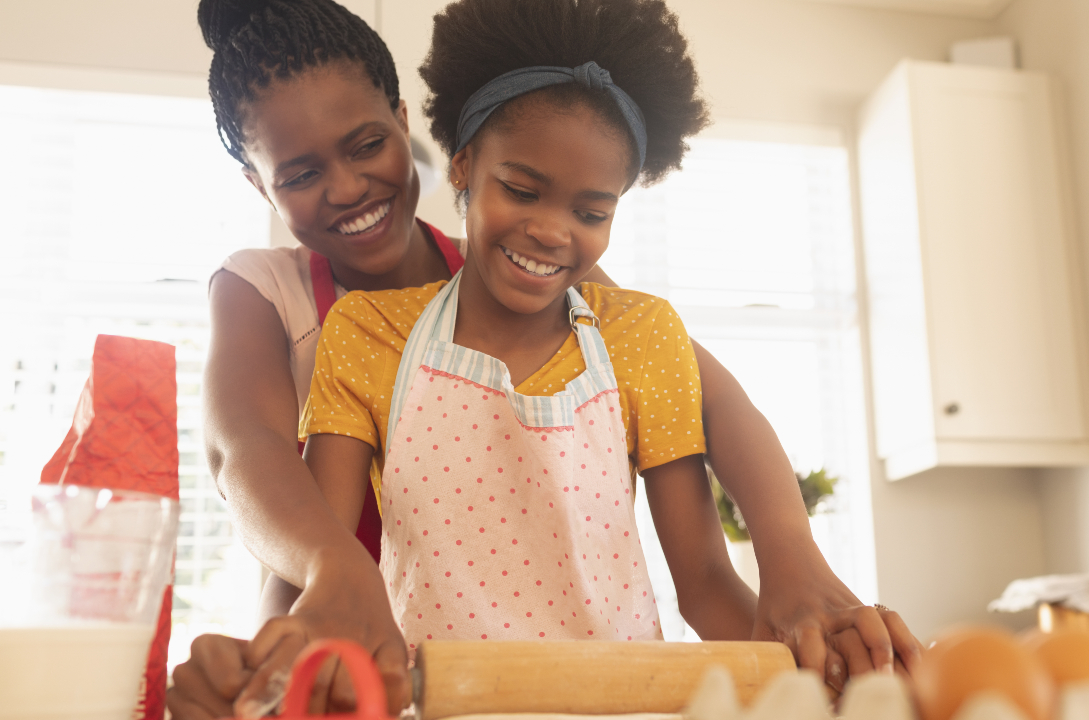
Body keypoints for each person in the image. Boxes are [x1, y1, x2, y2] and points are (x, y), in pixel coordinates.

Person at [170, 0, 921, 717]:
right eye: (300, 174)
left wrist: (792, 557)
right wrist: (319, 598)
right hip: (380, 646)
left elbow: (706, 396)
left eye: (367, 145)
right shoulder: (290, 301)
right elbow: (249, 456)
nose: (346, 186)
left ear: (406, 126)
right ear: (256, 183)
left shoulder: (529, 259)